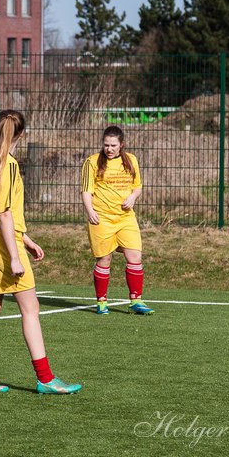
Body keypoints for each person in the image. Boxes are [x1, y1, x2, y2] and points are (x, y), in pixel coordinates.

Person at [0, 110, 81, 394]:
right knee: (30, 309)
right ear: (21, 135)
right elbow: (4, 214)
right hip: (3, 244)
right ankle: (45, 378)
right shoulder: (10, 165)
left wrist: (25, 239)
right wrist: (15, 256)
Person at [81, 125, 154, 315]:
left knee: (135, 256)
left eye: (113, 145)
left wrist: (133, 197)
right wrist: (90, 211)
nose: (109, 149)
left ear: (121, 145)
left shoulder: (131, 160)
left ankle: (136, 300)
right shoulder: (93, 162)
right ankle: (102, 301)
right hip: (102, 218)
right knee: (104, 259)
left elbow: (137, 186)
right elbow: (86, 190)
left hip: (125, 218)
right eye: (106, 145)